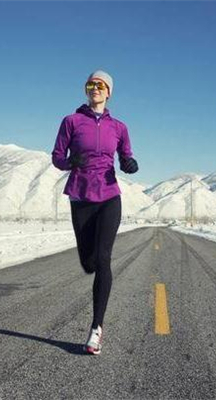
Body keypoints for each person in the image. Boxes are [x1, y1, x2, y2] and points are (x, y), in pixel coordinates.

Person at [51, 70, 138, 355]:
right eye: (91, 84)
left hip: (110, 196)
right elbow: (56, 157)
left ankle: (96, 329)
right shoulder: (71, 121)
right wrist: (69, 162)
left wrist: (129, 163)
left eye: (101, 85)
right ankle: (89, 263)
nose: (95, 88)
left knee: (103, 259)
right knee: (88, 261)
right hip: (80, 196)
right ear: (86, 90)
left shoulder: (119, 127)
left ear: (109, 92)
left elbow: (126, 155)